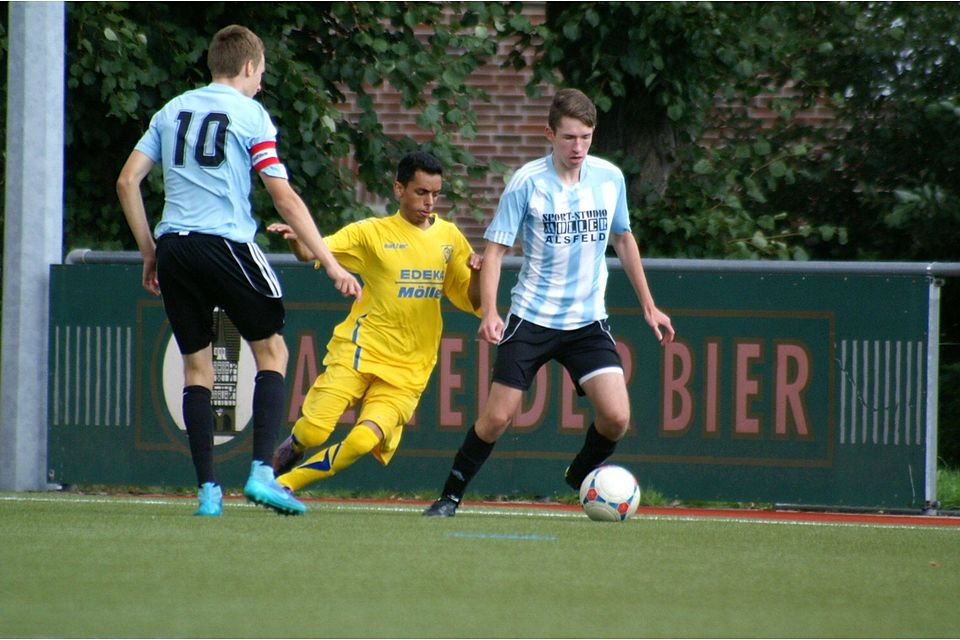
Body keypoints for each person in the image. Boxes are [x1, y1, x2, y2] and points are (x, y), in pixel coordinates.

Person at [116, 25, 361, 517]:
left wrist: (149, 251)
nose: (261, 84)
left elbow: (127, 181)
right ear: (249, 67)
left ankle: (208, 493)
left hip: (174, 248)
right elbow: (283, 198)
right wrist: (331, 262)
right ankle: (261, 474)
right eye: (261, 75)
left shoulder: (171, 110)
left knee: (196, 368)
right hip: (224, 242)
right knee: (271, 350)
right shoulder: (250, 114)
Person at [423, 88, 676, 517]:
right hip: (533, 319)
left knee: (616, 417)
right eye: (569, 138)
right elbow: (497, 249)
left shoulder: (609, 178)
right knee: (497, 419)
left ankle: (579, 479)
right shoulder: (527, 183)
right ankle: (449, 497)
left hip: (587, 322)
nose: (578, 147)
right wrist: (490, 311)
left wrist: (649, 306)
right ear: (550, 135)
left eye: (586, 137)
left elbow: (623, 238)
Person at [267, 150, 482, 494]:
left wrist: (475, 275)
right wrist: (297, 240)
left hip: (410, 369)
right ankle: (269, 468)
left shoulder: (450, 238)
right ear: (399, 189)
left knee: (362, 441)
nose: (429, 202)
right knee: (313, 433)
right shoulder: (371, 233)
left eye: (435, 194)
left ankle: (284, 486)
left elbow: (475, 302)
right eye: (421, 192)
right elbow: (312, 252)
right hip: (360, 350)